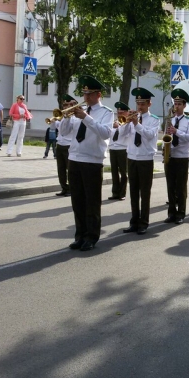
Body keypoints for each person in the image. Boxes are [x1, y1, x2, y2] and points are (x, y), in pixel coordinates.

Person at [57, 76, 113, 251]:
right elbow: (65, 133)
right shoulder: (77, 112)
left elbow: (105, 133)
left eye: (89, 94)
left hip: (92, 161)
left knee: (92, 201)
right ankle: (79, 235)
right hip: (74, 159)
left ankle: (91, 236)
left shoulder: (106, 113)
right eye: (84, 93)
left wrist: (86, 117)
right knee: (78, 201)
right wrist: (66, 116)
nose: (86, 97)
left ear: (98, 94)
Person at [120, 87, 159, 235]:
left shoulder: (154, 120)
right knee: (133, 192)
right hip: (132, 158)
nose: (139, 107)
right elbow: (122, 135)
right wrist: (127, 122)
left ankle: (144, 222)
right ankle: (134, 221)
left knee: (145, 193)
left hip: (145, 159)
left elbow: (149, 135)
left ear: (149, 104)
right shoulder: (132, 119)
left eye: (143, 104)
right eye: (138, 104)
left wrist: (136, 124)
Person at [163, 89, 189, 224]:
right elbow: (165, 136)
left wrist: (177, 131)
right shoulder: (170, 119)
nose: (176, 106)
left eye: (179, 104)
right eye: (175, 103)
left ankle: (181, 213)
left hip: (182, 156)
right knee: (170, 186)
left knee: (181, 186)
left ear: (184, 106)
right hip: (170, 155)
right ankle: (171, 213)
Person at [107, 101, 131, 201]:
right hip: (113, 148)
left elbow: (124, 133)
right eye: (118, 112)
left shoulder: (128, 123)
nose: (119, 113)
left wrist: (120, 126)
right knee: (114, 172)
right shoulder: (114, 122)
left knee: (123, 172)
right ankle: (115, 192)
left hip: (122, 149)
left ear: (127, 113)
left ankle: (122, 193)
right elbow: (109, 134)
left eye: (122, 112)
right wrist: (113, 126)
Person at [54, 95, 77, 197]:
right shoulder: (62, 117)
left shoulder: (75, 117)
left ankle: (72, 189)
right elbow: (58, 129)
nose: (66, 106)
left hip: (69, 145)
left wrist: (68, 117)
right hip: (60, 144)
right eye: (64, 105)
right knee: (61, 169)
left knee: (70, 169)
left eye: (68, 104)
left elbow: (70, 130)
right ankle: (64, 188)